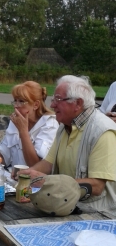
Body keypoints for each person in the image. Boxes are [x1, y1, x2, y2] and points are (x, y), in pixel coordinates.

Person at [20, 75, 116, 212]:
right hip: (67, 206)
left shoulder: (102, 131)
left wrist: (48, 181)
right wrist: (28, 173)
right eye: (53, 99)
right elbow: (48, 163)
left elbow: (97, 186)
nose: (52, 105)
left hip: (97, 215)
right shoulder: (65, 125)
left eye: (58, 99)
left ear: (78, 103)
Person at [0, 81, 59, 172]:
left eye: (21, 101)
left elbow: (35, 166)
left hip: (35, 183)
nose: (16, 106)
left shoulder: (50, 124)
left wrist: (23, 131)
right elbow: (3, 158)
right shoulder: (17, 120)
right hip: (15, 178)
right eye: (15, 101)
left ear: (36, 105)